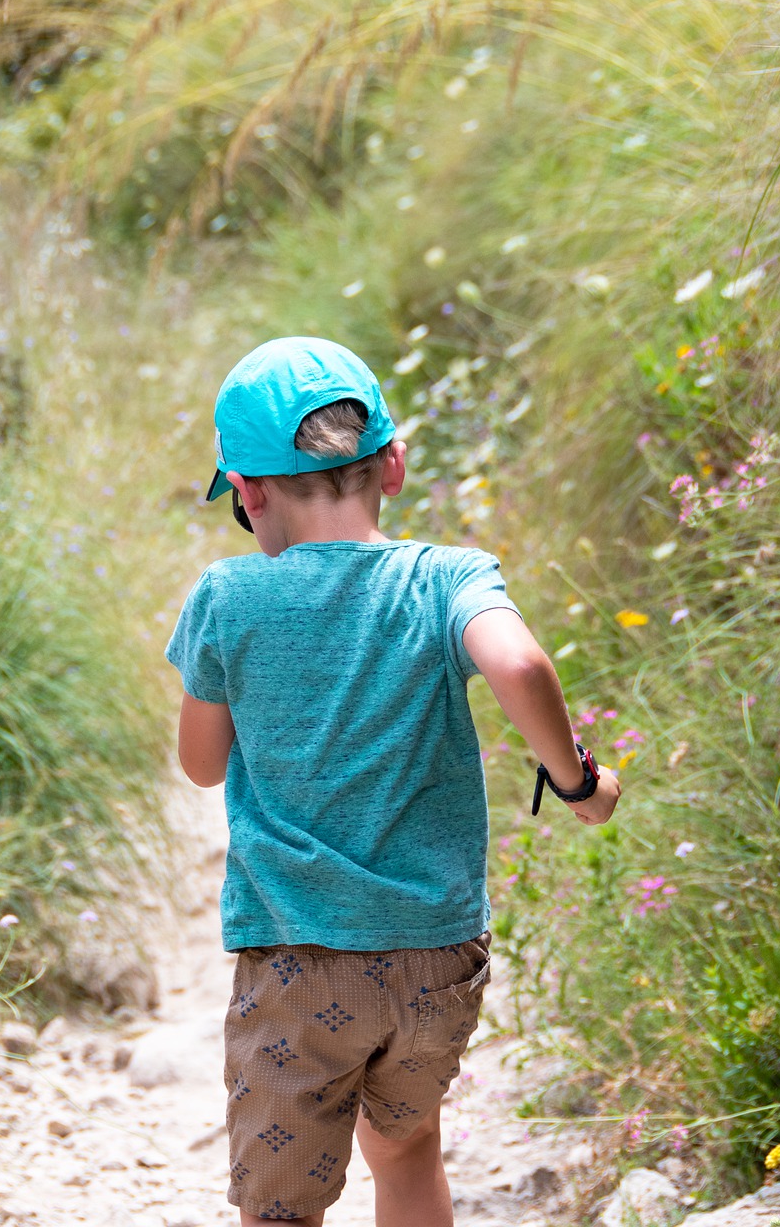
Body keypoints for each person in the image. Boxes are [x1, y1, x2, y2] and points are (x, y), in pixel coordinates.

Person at [165, 336, 621, 1226]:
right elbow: (519, 662)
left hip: (299, 964)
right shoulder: (447, 576)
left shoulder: (227, 596)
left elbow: (200, 765)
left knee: (280, 1210)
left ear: (248, 494)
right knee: (408, 1148)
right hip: (435, 959)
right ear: (395, 465)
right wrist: (578, 783)